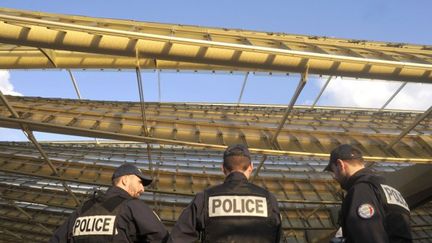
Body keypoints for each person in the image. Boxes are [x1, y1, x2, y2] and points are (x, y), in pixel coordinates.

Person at [169, 144, 282, 243]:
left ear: (223, 168)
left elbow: (178, 238)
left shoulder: (205, 198)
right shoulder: (269, 200)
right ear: (251, 167)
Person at [50, 163, 169, 243]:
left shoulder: (83, 209)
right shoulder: (133, 206)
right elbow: (162, 238)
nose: (142, 189)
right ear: (125, 180)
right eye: (140, 182)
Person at [324, 144, 412, 243]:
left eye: (333, 170)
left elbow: (367, 235)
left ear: (340, 165)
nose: (334, 177)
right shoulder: (389, 189)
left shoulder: (362, 190)